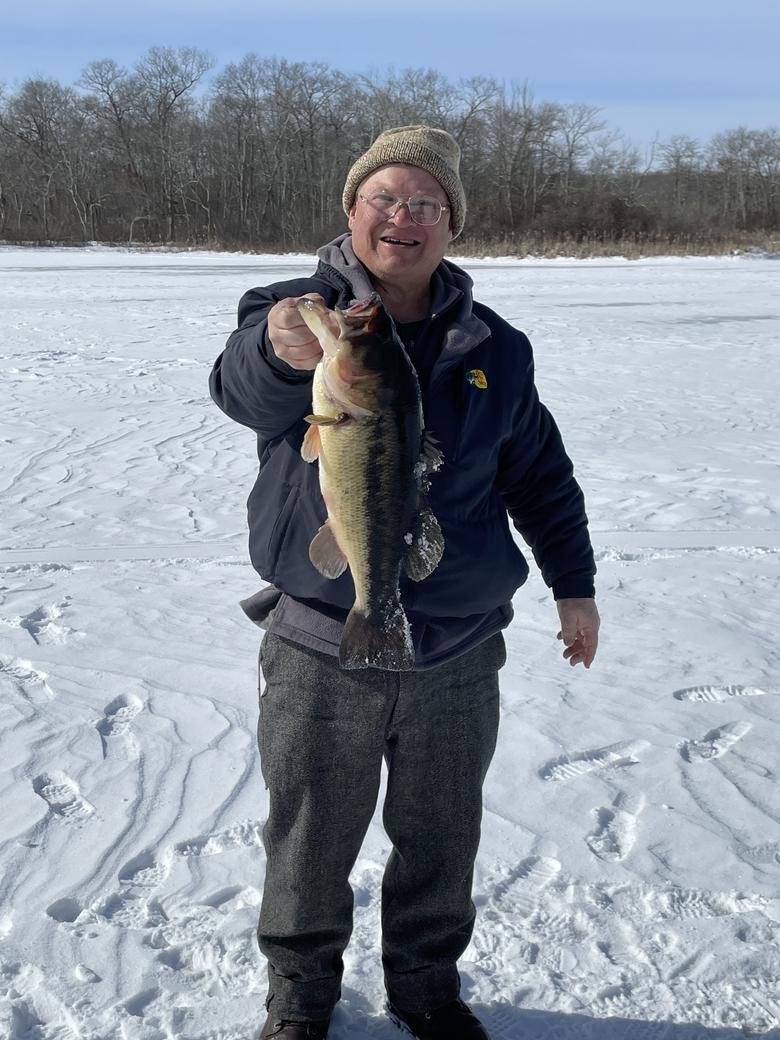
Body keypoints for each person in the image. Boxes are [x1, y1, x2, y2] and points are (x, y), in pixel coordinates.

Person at [209, 125, 599, 1040]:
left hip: (458, 645)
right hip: (320, 636)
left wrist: (573, 583)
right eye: (384, 196)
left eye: (427, 202)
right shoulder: (298, 313)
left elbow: (539, 474)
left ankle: (426, 986)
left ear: (451, 223)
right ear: (352, 210)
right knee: (310, 830)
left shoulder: (497, 347)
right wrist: (278, 350)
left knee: (441, 831)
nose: (403, 216)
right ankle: (300, 993)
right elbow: (242, 391)